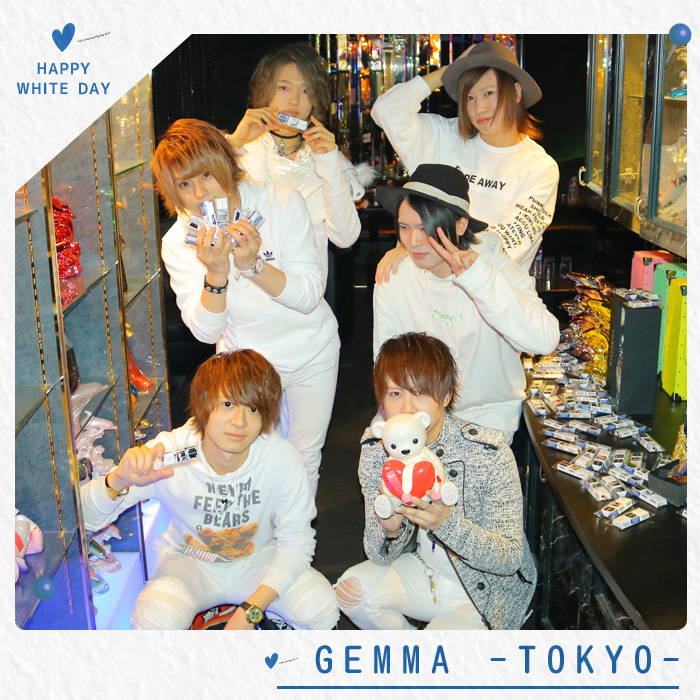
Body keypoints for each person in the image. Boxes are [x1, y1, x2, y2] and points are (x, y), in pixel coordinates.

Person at [80, 350, 339, 630]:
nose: (239, 422)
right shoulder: (170, 453)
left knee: (320, 607)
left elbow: (297, 544)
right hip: (190, 563)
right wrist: (118, 480)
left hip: (258, 560)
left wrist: (251, 612)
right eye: (228, 404)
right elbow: (84, 520)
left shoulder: (280, 458)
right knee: (155, 618)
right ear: (205, 404)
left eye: (253, 409)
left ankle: (269, 618)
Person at [153, 118, 339, 495]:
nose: (199, 193)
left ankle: (295, 532)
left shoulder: (281, 201)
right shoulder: (178, 241)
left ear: (225, 163)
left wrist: (253, 266)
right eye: (184, 185)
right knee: (246, 461)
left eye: (205, 175)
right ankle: (255, 531)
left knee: (303, 459)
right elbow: (205, 331)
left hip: (311, 354)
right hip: (246, 364)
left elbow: (308, 295)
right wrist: (216, 274)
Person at [335, 333, 537, 630]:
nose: (406, 407)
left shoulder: (488, 452)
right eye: (395, 393)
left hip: (484, 590)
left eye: (419, 392)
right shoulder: (378, 450)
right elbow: (378, 554)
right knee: (350, 592)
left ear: (445, 396)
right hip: (426, 574)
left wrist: (445, 523)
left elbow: (509, 558)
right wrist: (390, 530)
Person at [372, 164, 559, 441]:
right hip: (414, 413)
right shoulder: (395, 275)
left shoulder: (497, 270)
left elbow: (545, 340)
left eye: (424, 228)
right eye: (404, 227)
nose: (413, 241)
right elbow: (387, 364)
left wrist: (480, 280)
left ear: (460, 224)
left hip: (487, 415)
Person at [371, 39, 559, 275]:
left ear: (516, 92)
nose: (479, 108)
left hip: (490, 294)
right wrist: (449, 70)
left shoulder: (539, 167)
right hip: (428, 290)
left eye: (489, 93)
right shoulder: (443, 137)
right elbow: (386, 109)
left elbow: (507, 243)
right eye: (469, 97)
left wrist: (417, 247)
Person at [227, 41, 366, 288]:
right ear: (265, 91)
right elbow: (196, 205)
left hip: (303, 295)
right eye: (283, 87)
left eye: (305, 90)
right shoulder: (239, 151)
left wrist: (329, 162)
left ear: (316, 100)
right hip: (245, 294)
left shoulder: (329, 160)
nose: (293, 100)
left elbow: (345, 238)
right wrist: (235, 143)